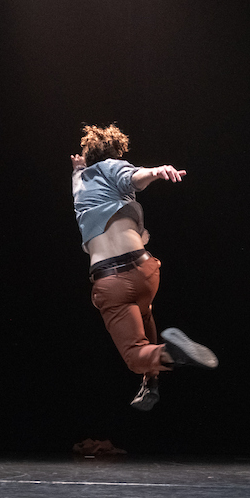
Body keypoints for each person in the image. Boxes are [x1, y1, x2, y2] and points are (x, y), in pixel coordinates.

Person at [71, 123, 217, 411]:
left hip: (112, 283)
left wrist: (154, 171)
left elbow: (132, 176)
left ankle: (168, 355)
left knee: (135, 354)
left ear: (90, 159)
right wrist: (154, 172)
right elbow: (128, 178)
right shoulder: (93, 177)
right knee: (144, 311)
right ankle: (151, 382)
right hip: (145, 272)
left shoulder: (86, 184)